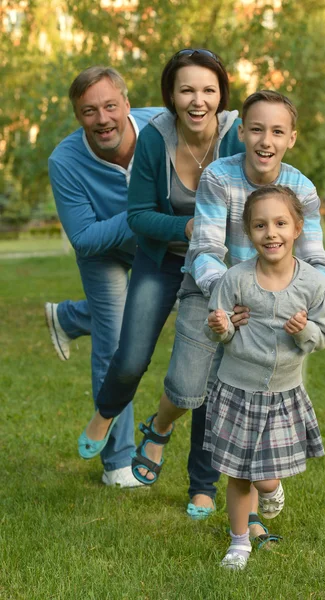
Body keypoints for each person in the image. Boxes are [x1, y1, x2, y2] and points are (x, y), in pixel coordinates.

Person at [133, 90, 325, 528]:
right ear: (241, 132)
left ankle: (247, 511)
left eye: (277, 131)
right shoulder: (219, 178)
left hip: (273, 301)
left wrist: (301, 298)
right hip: (211, 287)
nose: (266, 139)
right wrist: (231, 296)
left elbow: (317, 261)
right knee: (189, 386)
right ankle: (160, 427)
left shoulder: (302, 189)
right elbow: (206, 249)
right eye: (257, 128)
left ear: (291, 138)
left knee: (251, 398)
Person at [77, 49, 248, 518]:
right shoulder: (156, 138)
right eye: (187, 89)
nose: (198, 100)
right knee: (131, 358)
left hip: (217, 269)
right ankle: (105, 413)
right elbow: (138, 216)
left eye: (208, 90)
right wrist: (187, 228)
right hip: (163, 260)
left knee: (211, 379)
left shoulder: (236, 135)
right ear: (170, 95)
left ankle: (202, 485)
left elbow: (262, 196)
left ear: (221, 95)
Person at [204, 184, 325, 570]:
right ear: (249, 232)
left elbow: (324, 335)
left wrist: (301, 331)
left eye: (280, 223)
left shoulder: (313, 284)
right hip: (236, 390)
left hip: (281, 395)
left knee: (263, 478)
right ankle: (239, 542)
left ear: (297, 228)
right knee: (238, 475)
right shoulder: (236, 279)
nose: (271, 232)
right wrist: (220, 325)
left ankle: (273, 489)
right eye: (260, 225)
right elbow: (221, 331)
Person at [47, 66, 162, 487]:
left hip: (161, 243)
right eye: (89, 111)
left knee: (169, 315)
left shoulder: (163, 126)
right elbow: (83, 238)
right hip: (104, 251)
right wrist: (142, 216)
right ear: (79, 117)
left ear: (127, 104)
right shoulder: (64, 161)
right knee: (115, 346)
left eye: (110, 105)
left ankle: (70, 318)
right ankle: (118, 461)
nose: (103, 118)